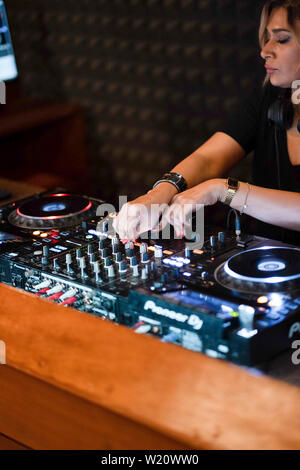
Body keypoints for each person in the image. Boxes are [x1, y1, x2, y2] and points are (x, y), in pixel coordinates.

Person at [113, 0, 300, 246]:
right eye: (266, 37)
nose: (265, 50)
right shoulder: (269, 100)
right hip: (268, 263)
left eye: (282, 39)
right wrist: (159, 193)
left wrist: (223, 190)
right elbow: (209, 158)